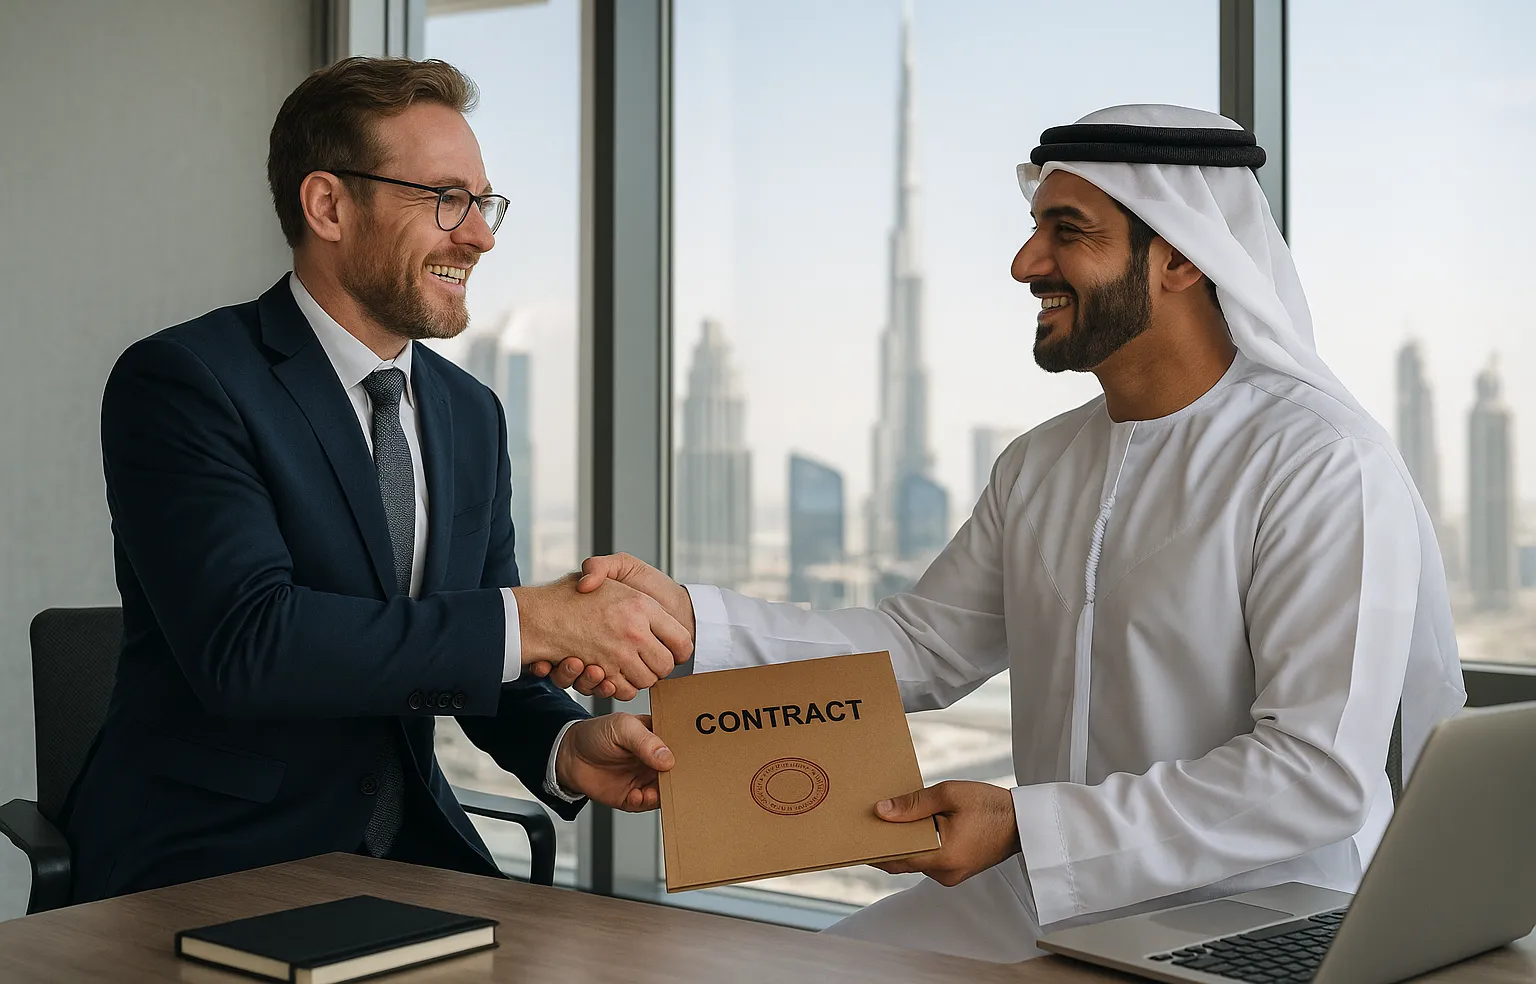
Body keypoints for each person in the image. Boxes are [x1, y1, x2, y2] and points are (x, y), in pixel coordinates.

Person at [543, 105, 1467, 961]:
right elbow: (923, 647)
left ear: (1181, 257)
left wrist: (1030, 824)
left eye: (1068, 233)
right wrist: (691, 622)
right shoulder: (1040, 464)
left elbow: (1313, 774)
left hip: (1260, 912)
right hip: (1048, 891)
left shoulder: (1320, 463)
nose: (1026, 263)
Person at [63, 56, 690, 901]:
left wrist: (563, 748)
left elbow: (478, 647)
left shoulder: (472, 413)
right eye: (445, 199)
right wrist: (532, 619)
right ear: (328, 204)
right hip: (208, 865)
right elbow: (252, 645)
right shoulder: (184, 381)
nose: (481, 236)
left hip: (410, 858)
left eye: (483, 203)